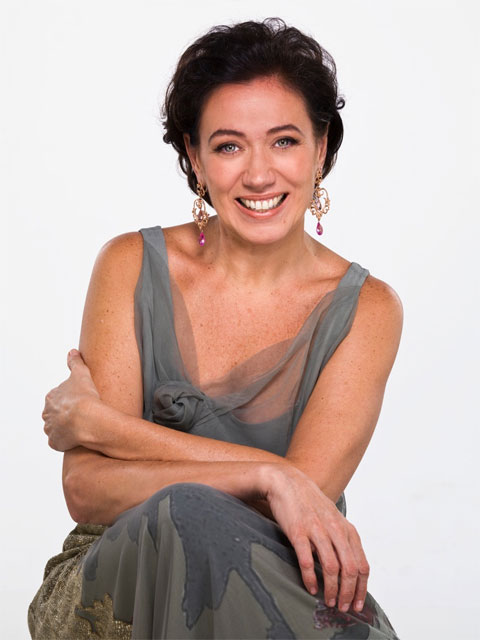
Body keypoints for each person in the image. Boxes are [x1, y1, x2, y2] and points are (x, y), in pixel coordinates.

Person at [28, 17, 403, 640]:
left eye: (284, 141)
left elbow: (294, 511)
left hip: (279, 580)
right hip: (117, 578)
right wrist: (271, 473)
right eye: (229, 146)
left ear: (321, 150)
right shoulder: (129, 265)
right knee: (186, 511)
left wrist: (107, 428)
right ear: (195, 158)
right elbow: (88, 490)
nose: (258, 174)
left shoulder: (368, 309)